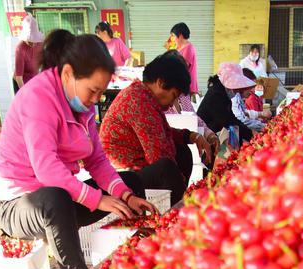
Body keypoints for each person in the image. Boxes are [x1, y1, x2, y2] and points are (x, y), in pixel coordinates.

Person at [0, 31, 154, 269]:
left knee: (129, 183)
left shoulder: (82, 107)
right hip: (19, 205)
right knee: (55, 199)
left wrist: (125, 195)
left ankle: (138, 260)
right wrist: (97, 200)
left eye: (101, 93)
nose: (96, 100)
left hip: (63, 201)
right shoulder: (38, 98)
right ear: (68, 74)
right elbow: (45, 168)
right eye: (93, 91)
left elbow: (97, 160)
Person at [100, 52, 212, 205]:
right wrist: (188, 191)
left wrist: (191, 136)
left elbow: (161, 131)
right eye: (173, 95)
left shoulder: (145, 96)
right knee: (167, 168)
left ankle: (173, 207)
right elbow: (158, 154)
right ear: (160, 82)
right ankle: (171, 215)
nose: (173, 104)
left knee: (181, 152)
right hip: (122, 176)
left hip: (136, 168)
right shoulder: (138, 101)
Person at [197, 65, 253, 147]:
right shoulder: (216, 94)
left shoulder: (222, 92)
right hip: (208, 138)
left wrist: (249, 133)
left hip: (215, 134)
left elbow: (231, 117)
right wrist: (250, 135)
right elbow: (227, 120)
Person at [168, 22, 198, 100]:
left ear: (180, 35)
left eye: (173, 36)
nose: (172, 39)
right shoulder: (178, 47)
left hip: (184, 85)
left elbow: (182, 67)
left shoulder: (189, 48)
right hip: (178, 84)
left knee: (184, 110)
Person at [14, 13, 44, 90]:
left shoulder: (40, 44)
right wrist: (25, 93)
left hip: (35, 79)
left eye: (35, 39)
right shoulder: (20, 49)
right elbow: (19, 78)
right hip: (23, 83)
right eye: (30, 40)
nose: (33, 43)